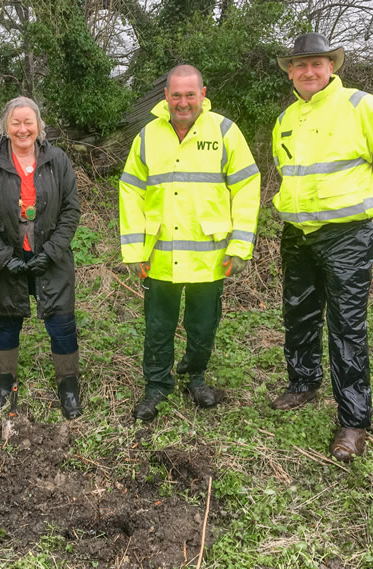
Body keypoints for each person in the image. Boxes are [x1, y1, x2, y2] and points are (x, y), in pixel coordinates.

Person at [270, 33, 373, 462]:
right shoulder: (286, 118)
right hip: (298, 232)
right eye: (300, 65)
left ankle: (353, 421)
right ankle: (303, 383)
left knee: (347, 325)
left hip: (347, 234)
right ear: (290, 72)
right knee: (298, 310)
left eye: (317, 64)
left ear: (332, 67)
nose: (308, 72)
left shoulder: (363, 106)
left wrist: (369, 209)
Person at [119, 64, 261, 422]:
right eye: (176, 95)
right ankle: (156, 386)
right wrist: (135, 249)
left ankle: (195, 377)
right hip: (161, 255)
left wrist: (240, 244)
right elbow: (131, 192)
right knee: (158, 326)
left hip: (210, 257)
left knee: (203, 326)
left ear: (203, 93)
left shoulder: (225, 132)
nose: (183, 102)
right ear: (166, 96)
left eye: (190, 94)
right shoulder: (148, 136)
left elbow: (246, 186)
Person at [0, 96, 83, 420]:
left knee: (62, 323)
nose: (22, 129)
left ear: (38, 125)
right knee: (5, 322)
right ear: (5, 126)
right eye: (15, 123)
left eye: (28, 122)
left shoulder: (58, 160)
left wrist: (51, 252)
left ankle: (68, 384)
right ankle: (5, 383)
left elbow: (71, 210)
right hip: (5, 261)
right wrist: (4, 258)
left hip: (51, 258)